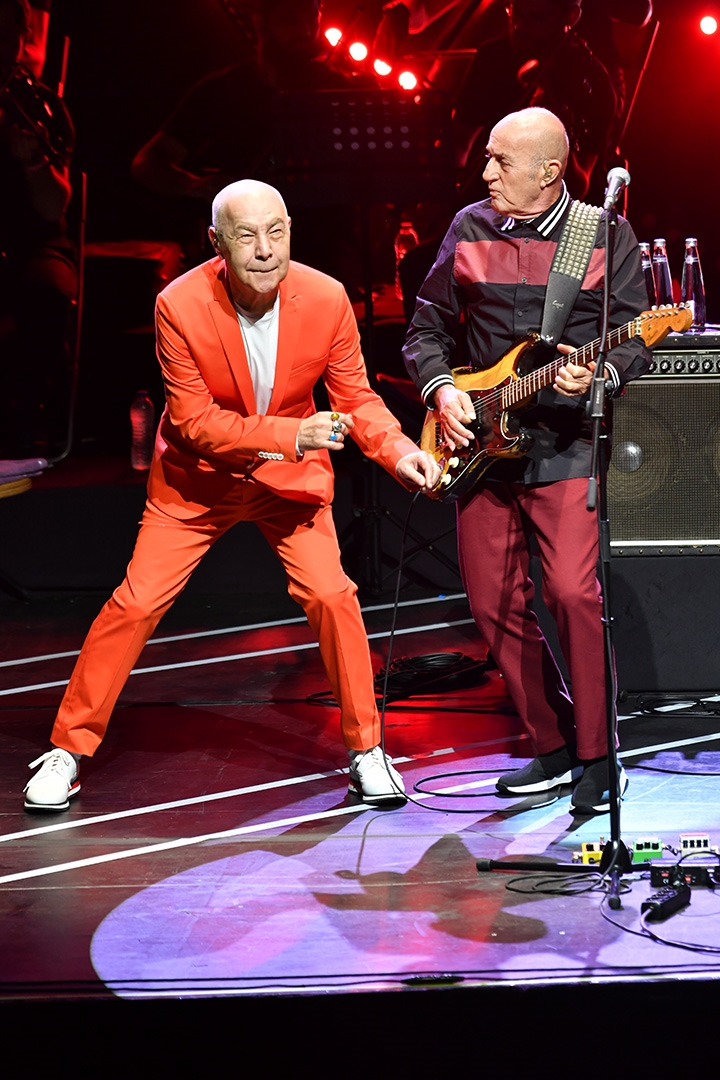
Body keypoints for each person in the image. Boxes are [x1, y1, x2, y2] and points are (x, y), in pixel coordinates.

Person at [24, 179, 440, 813]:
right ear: (216, 242)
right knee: (136, 603)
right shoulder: (179, 304)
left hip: (289, 483)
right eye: (247, 235)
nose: (265, 249)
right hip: (198, 481)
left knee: (333, 595)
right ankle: (67, 748)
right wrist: (291, 436)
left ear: (291, 231)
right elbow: (193, 422)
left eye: (276, 232)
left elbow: (356, 399)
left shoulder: (326, 297)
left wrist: (399, 451)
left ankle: (367, 749)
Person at [403, 107, 651, 815]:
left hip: (565, 445)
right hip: (483, 447)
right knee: (491, 603)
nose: (485, 173)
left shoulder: (605, 234)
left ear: (548, 172)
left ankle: (598, 754)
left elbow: (636, 336)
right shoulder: (468, 227)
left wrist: (596, 378)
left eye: (499, 161)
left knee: (572, 594)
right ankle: (552, 742)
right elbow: (424, 329)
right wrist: (442, 389)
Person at [0, 0, 76, 457]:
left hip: (34, 243)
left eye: (6, 33)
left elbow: (53, 207)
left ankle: (27, 427)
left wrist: (32, 162)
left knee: (47, 291)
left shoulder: (41, 105)